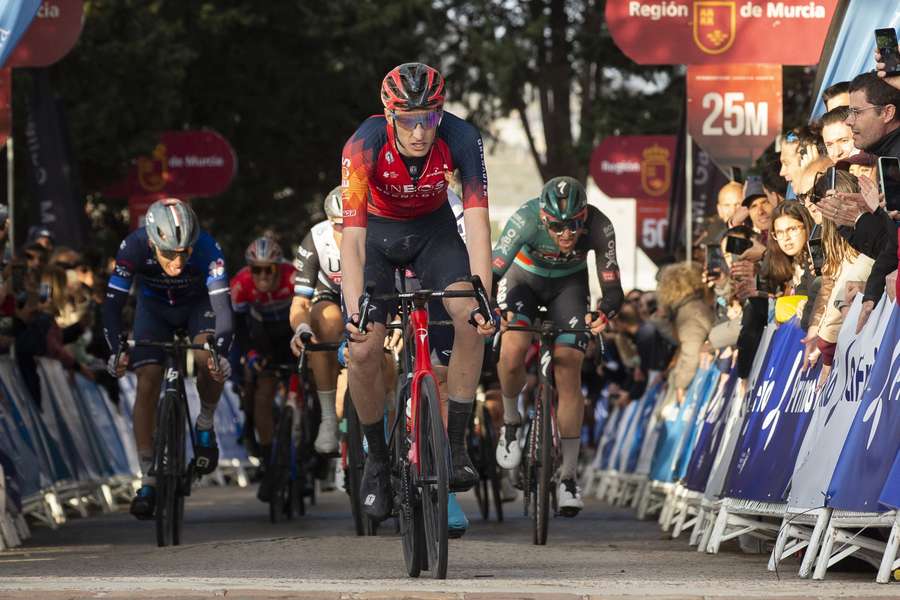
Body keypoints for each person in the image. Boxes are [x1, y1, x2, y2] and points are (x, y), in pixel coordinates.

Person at [339, 63, 495, 522]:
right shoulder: (362, 145)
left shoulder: (463, 139)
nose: (420, 130)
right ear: (388, 116)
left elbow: (479, 220)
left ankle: (458, 444)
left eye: (429, 117)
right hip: (378, 236)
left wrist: (484, 292)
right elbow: (351, 239)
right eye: (408, 119)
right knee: (364, 347)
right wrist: (354, 308)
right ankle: (375, 460)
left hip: (434, 233)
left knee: (470, 316)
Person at [491, 176, 623, 516]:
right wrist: (490, 305)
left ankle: (567, 477)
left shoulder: (599, 224)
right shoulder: (525, 217)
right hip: (524, 281)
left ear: (584, 218)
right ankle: (510, 422)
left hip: (569, 287)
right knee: (513, 349)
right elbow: (493, 270)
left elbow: (611, 283)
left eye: (573, 226)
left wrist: (606, 310)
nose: (566, 234)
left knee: (568, 368)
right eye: (556, 227)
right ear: (543, 218)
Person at [103, 198, 233, 520]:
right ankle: (147, 476)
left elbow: (223, 312)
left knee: (207, 358)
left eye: (184, 252)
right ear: (152, 242)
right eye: (168, 253)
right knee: (147, 380)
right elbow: (111, 306)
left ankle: (204, 422)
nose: (177, 261)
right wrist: (115, 349)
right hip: (154, 310)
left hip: (196, 306)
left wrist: (221, 350)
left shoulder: (207, 248)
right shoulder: (132, 247)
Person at [230, 236, 297, 502]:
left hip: (291, 336)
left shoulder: (292, 277)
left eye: (269, 269)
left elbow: (307, 311)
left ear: (279, 267)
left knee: (309, 383)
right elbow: (237, 327)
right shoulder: (241, 283)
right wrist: (251, 354)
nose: (263, 275)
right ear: (249, 269)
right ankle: (268, 461)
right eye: (256, 269)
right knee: (259, 393)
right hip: (264, 342)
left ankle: (309, 441)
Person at [289, 187, 346, 457]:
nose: (346, 232)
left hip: (370, 293)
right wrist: (301, 328)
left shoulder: (378, 232)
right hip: (331, 294)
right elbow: (299, 303)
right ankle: (328, 417)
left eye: (353, 224)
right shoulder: (317, 238)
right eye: (339, 225)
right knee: (324, 323)